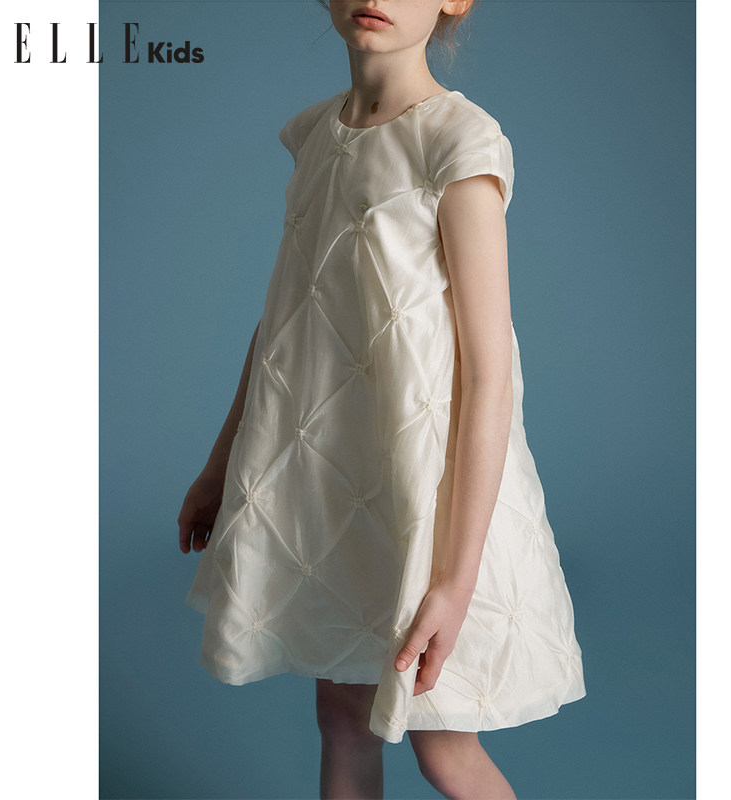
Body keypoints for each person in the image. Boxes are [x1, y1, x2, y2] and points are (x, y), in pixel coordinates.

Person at [178, 1, 586, 797]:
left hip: (432, 499)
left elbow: (489, 371)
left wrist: (455, 580)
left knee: (444, 747)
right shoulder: (313, 137)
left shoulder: (457, 141)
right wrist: (220, 463)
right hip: (338, 482)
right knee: (342, 720)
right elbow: (287, 320)